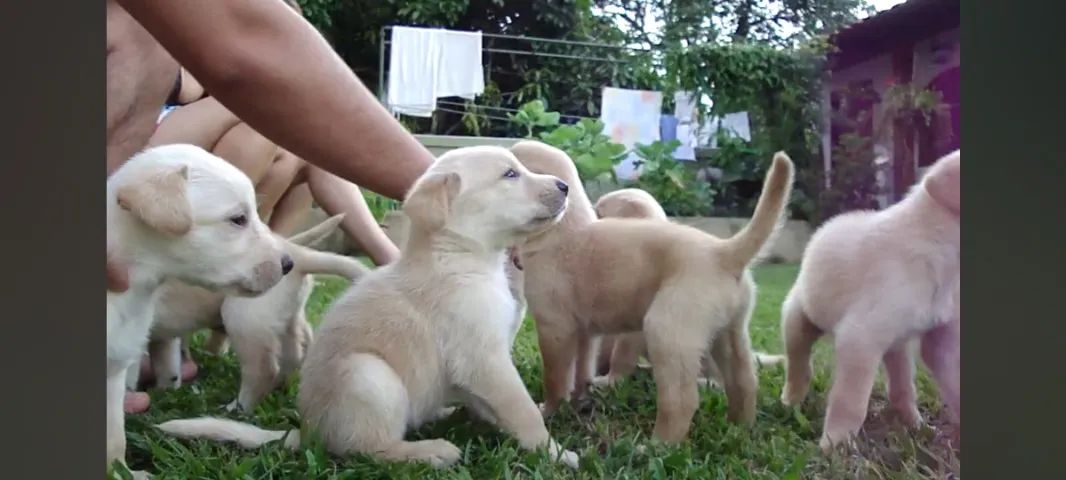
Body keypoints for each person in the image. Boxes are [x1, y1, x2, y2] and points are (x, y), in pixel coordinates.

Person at [107, 0, 435, 410]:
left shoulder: (175, 46)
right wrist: (447, 186)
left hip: (169, 168)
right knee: (274, 121)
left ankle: (370, 259)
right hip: (146, 171)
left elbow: (249, 52)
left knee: (295, 145)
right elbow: (249, 56)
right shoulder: (162, 40)